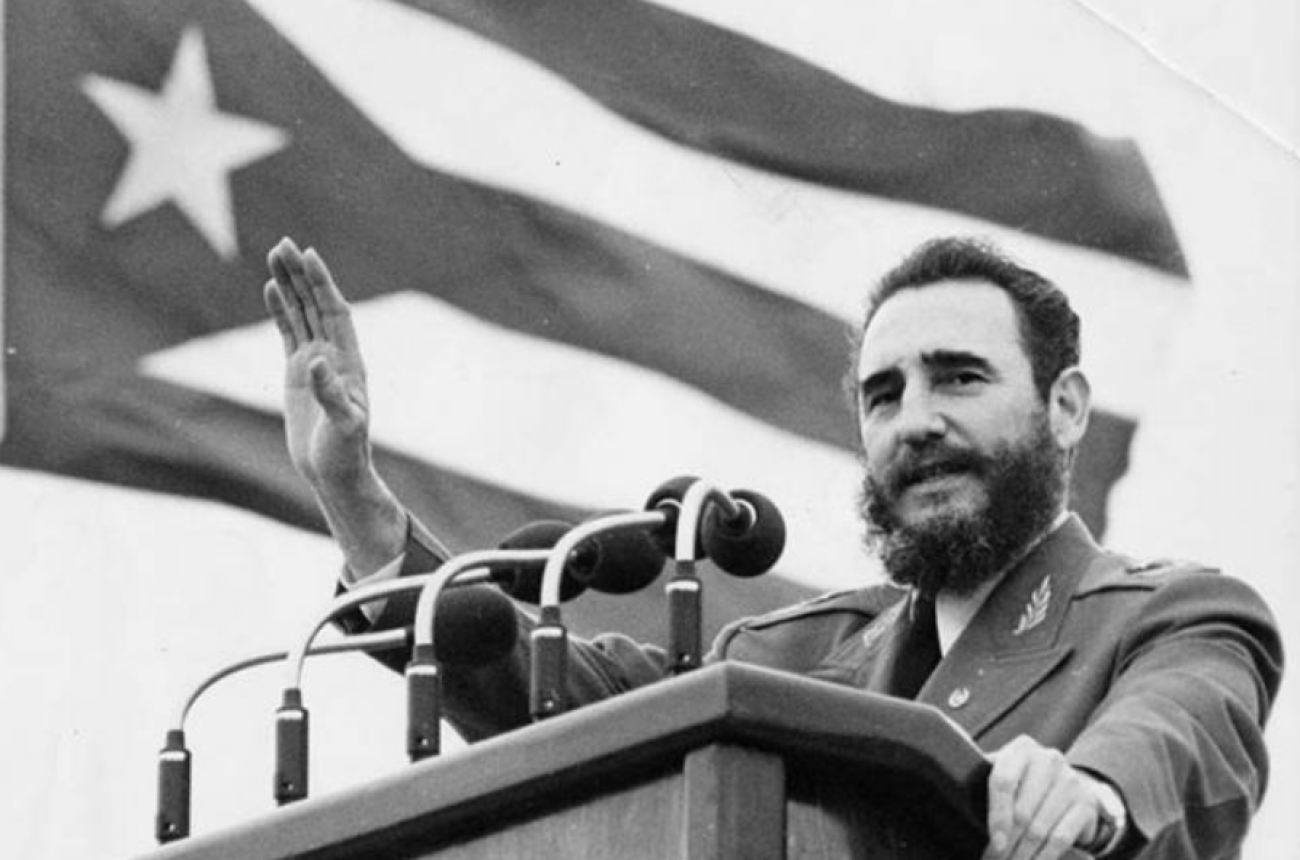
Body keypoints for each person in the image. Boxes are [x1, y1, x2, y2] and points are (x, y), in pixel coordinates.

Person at [263, 235, 1282, 860]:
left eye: (959, 378)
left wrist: (1091, 795)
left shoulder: (1174, 616)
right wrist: (352, 494)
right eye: (882, 395)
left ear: (1065, 408)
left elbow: (1179, 732)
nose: (915, 421)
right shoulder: (787, 655)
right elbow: (544, 691)